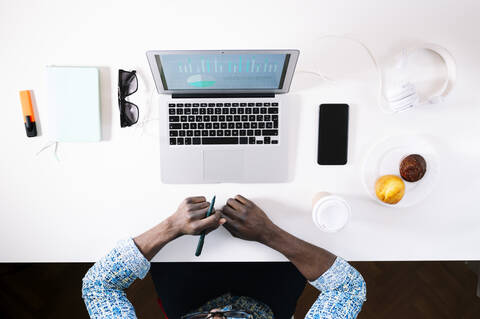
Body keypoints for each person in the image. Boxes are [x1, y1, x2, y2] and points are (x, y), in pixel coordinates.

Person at [82, 195, 366, 319]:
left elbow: (99, 287)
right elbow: (347, 289)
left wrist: (171, 227)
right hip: (273, 283)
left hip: (184, 285)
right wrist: (268, 233)